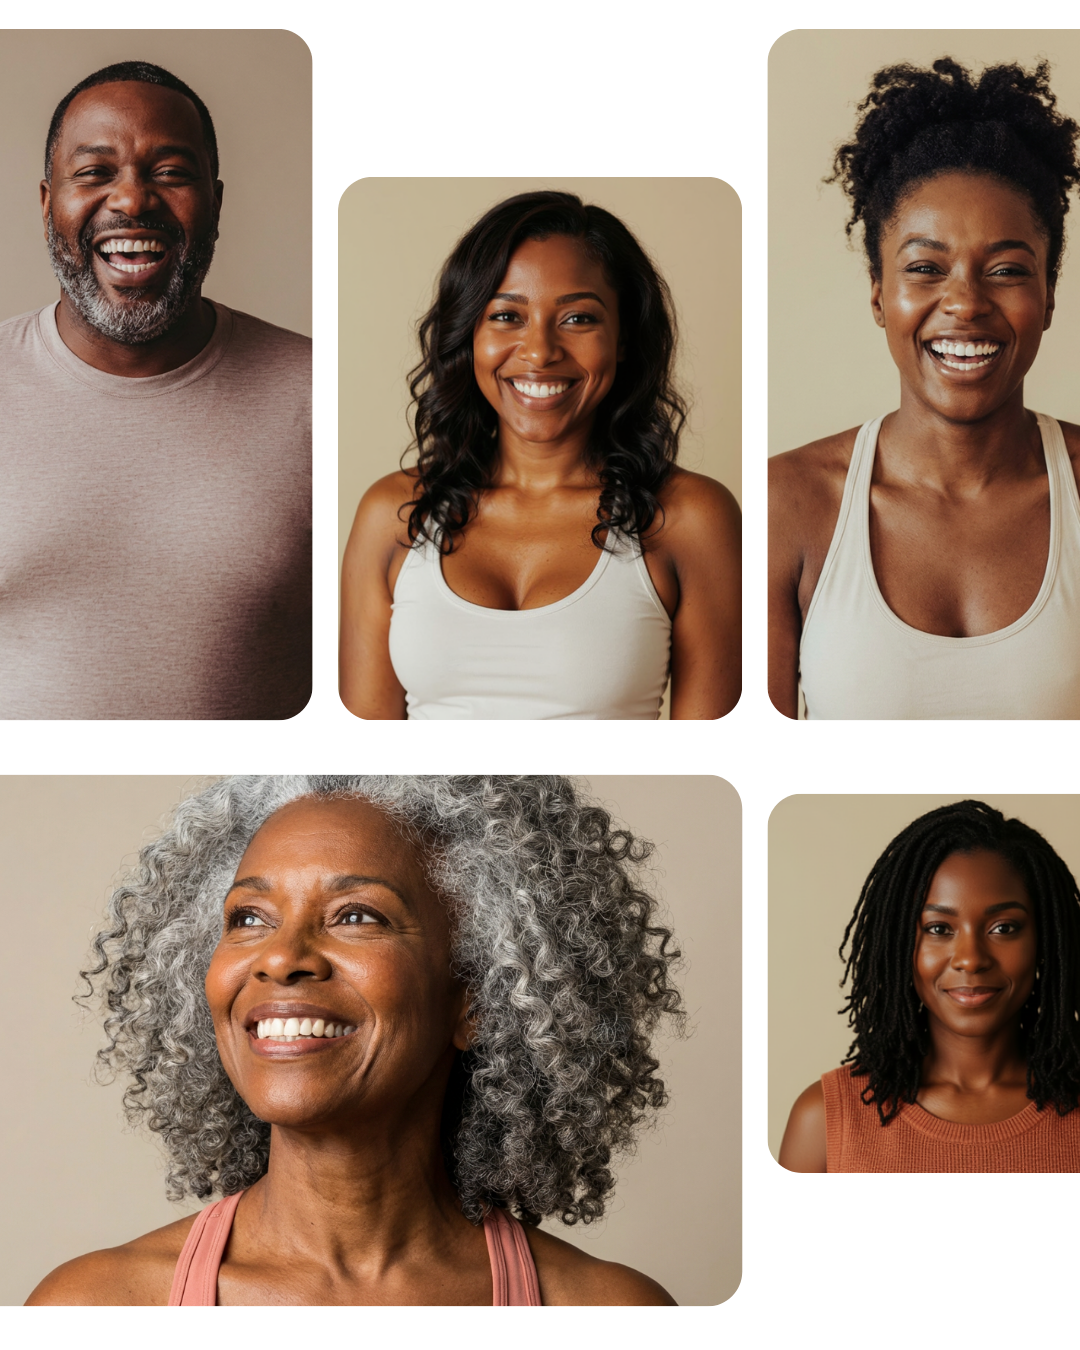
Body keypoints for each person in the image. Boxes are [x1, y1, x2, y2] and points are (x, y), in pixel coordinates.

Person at [25, 774, 685, 1305]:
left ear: (476, 997)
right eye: (249, 916)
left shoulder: (607, 1302)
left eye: (357, 915)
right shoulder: (94, 1300)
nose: (281, 958)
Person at [341, 190, 741, 720]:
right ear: (470, 335)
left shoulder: (693, 518)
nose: (540, 351)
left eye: (578, 319)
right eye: (507, 316)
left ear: (623, 338)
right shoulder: (391, 514)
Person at [768, 56, 1080, 720]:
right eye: (925, 267)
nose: (964, 302)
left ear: (1048, 296)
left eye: (1004, 269)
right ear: (880, 294)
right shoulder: (787, 506)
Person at [0, 61, 311, 720]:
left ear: (216, 202)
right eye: (94, 173)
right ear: (46, 199)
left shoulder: (314, 391)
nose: (133, 200)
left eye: (170, 172)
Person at [779, 800, 1080, 1173]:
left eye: (1004, 928)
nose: (970, 958)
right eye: (939, 929)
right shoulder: (823, 1122)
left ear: (1046, 940)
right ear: (900, 944)